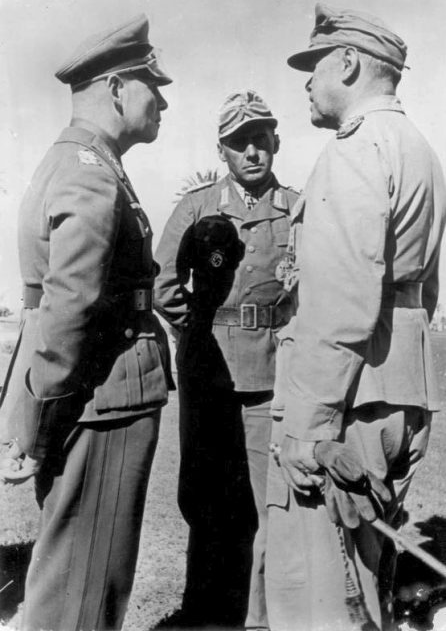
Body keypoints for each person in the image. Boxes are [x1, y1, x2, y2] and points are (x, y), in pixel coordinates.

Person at [264, 3, 446, 631]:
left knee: (317, 589)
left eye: (314, 67)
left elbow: (341, 304)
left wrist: (308, 428)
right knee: (368, 570)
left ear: (347, 62)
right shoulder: (416, 146)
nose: (307, 83)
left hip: (346, 395)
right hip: (400, 385)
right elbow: (423, 289)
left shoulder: (356, 149)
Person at [0, 13, 174, 631]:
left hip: (91, 395)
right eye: (155, 89)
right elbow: (69, 307)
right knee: (85, 586)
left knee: (73, 570)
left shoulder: (75, 162)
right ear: (119, 88)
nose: (163, 104)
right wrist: (41, 418)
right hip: (105, 397)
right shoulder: (90, 174)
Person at [154, 90, 301, 629]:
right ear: (223, 150)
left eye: (261, 139)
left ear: (276, 142)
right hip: (210, 372)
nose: (253, 152)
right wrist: (199, 331)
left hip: (271, 372)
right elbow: (163, 285)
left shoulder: (298, 207)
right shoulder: (196, 207)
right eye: (240, 142)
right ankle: (207, 611)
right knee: (208, 496)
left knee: (268, 501)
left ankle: (259, 615)